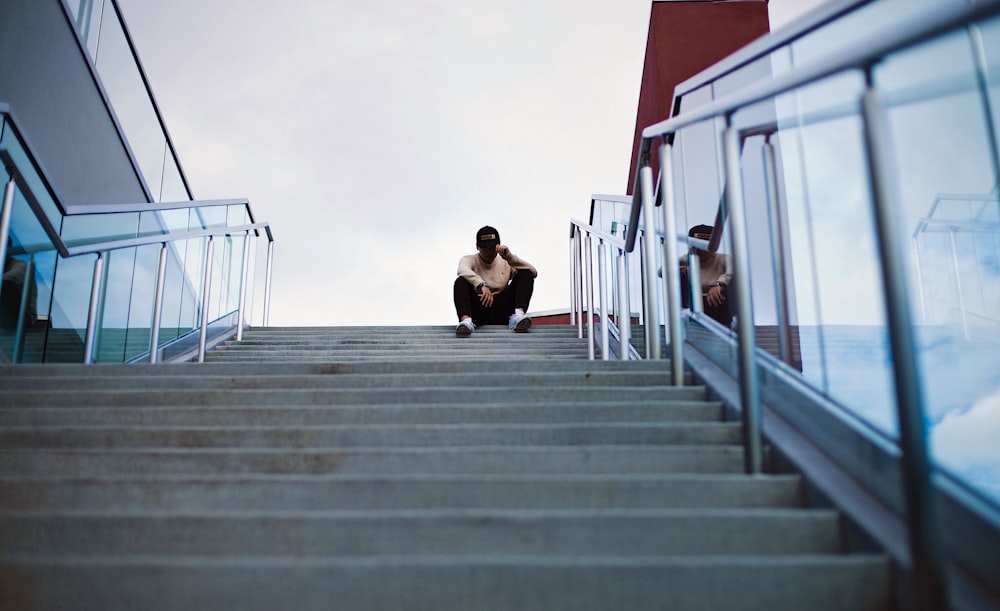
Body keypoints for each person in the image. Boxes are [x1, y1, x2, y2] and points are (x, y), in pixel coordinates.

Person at [454, 225, 537, 336]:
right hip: (479, 310)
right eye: (485, 248)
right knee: (460, 281)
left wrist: (510, 258)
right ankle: (466, 322)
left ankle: (518, 316)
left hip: (503, 310)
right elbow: (461, 269)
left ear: (498, 246)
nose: (489, 252)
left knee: (525, 273)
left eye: (492, 247)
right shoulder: (469, 259)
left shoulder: (507, 261)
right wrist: (481, 284)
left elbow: (533, 272)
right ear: (477, 247)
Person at [679, 224, 733, 327]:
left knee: (735, 278)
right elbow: (662, 271)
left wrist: (719, 284)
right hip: (695, 304)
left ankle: (735, 319)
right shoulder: (687, 260)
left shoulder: (722, 258)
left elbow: (733, 270)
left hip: (718, 302)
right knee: (676, 272)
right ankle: (683, 313)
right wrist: (684, 261)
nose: (703, 249)